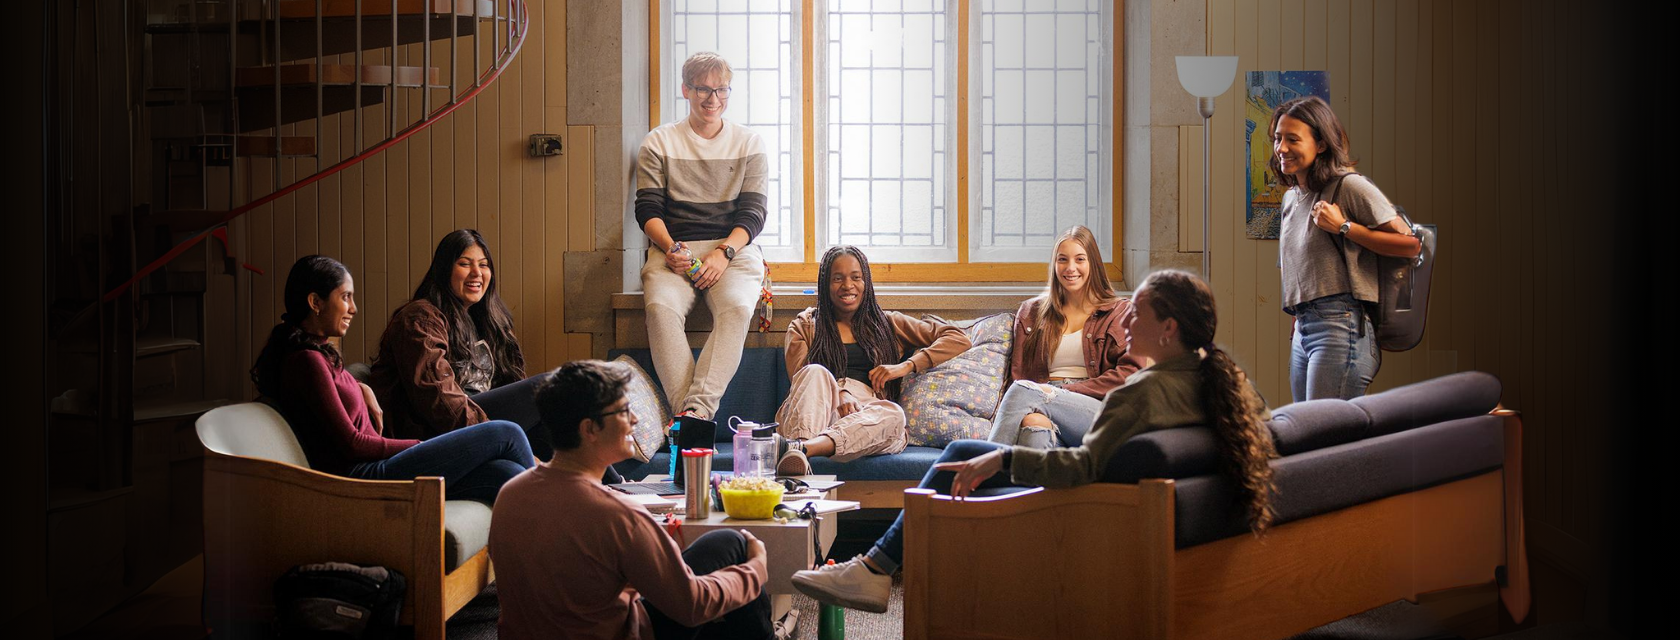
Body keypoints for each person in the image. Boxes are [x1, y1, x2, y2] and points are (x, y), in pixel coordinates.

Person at [792, 270, 1278, 613]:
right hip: (1129, 511)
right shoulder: (1229, 384)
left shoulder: (1144, 393)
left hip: (1081, 514)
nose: (1125, 321)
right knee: (1011, 430)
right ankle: (874, 570)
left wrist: (1000, 462)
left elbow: (1079, 469)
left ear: (1168, 329)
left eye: (1138, 314)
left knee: (964, 455)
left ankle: (873, 570)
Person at [490, 360, 796, 640]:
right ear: (589, 429)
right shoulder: (617, 514)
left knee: (725, 542)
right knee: (740, 551)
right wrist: (755, 569)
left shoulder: (510, 493)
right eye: (623, 411)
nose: (635, 418)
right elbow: (691, 605)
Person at [251, 255, 533, 505]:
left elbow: (332, 394)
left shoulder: (319, 357)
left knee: (505, 473)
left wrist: (361, 386)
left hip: (380, 464)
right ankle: (559, 508)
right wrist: (419, 445)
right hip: (367, 475)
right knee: (505, 433)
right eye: (345, 297)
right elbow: (352, 444)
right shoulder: (306, 361)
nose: (353, 309)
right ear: (315, 302)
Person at [634, 51, 770, 420]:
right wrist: (672, 249)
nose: (713, 100)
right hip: (672, 248)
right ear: (686, 90)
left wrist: (722, 253)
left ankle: (692, 414)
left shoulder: (749, 143)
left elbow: (754, 214)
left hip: (733, 249)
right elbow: (647, 210)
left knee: (738, 309)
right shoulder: (658, 142)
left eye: (722, 90)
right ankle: (692, 416)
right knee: (660, 310)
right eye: (704, 90)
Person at [1271, 96, 1421, 402]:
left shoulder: (1349, 186)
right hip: (1304, 328)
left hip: (1340, 326)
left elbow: (1410, 245)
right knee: (1306, 437)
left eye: (1292, 139)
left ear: (1321, 144)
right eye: (1277, 138)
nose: (1281, 148)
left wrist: (1344, 227)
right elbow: (1300, 269)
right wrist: (1296, 323)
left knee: (1322, 437)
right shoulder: (1291, 198)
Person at [772, 246, 971, 476]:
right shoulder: (804, 326)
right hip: (815, 415)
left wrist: (906, 366)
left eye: (856, 277)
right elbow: (800, 377)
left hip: (865, 420)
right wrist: (838, 392)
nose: (848, 286)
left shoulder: (887, 324)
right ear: (825, 285)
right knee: (814, 371)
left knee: (895, 416)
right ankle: (800, 446)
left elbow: (958, 338)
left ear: (866, 282)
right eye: (838, 279)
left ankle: (799, 451)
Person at [986, 226, 1147, 450]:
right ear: (1054, 264)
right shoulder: (1031, 312)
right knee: (1034, 425)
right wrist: (1045, 396)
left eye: (1080, 259)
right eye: (1063, 259)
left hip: (1098, 412)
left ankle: (984, 464)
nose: (1070, 268)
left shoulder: (1120, 313)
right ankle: (1039, 484)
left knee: (1024, 389)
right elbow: (1019, 373)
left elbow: (1130, 375)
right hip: (1040, 403)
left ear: (1094, 263)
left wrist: (1060, 392)